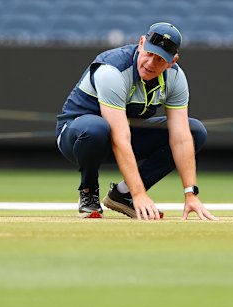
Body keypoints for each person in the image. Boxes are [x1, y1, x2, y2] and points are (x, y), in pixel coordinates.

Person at [55, 22, 218, 221]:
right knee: (97, 129)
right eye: (149, 53)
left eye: (159, 59)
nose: (150, 63)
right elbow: (119, 137)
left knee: (195, 132)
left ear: (172, 61)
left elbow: (181, 138)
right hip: (78, 136)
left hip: (124, 135)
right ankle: (89, 191)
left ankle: (123, 195)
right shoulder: (112, 70)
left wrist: (190, 194)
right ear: (141, 43)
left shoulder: (175, 78)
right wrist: (139, 193)